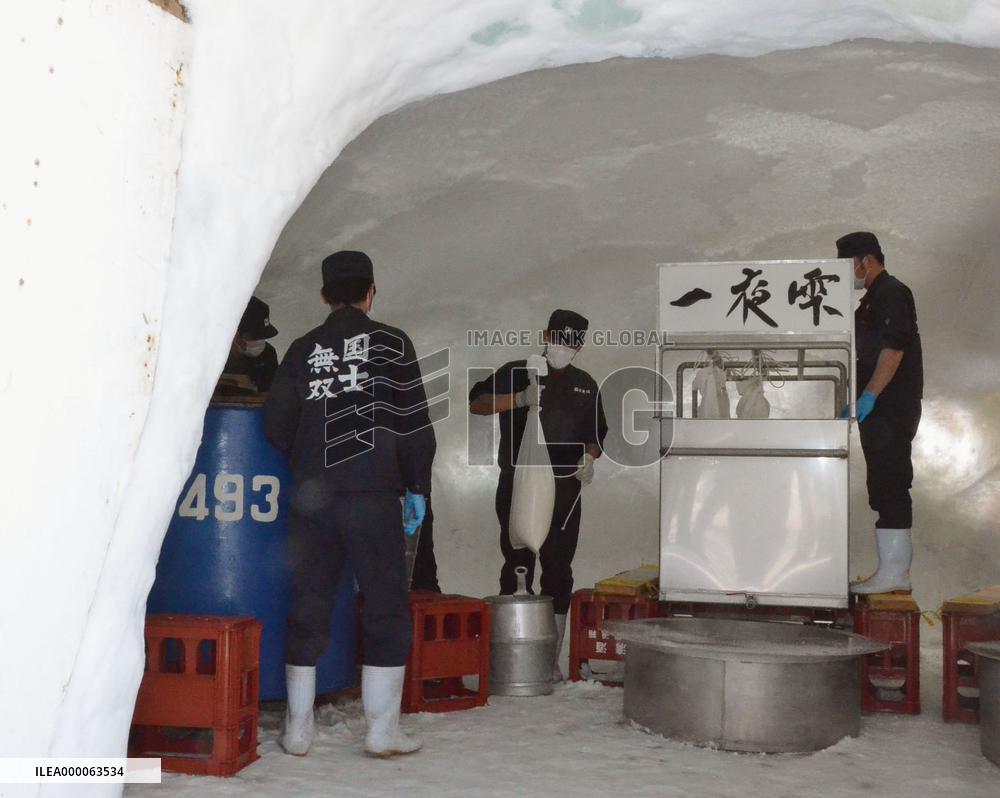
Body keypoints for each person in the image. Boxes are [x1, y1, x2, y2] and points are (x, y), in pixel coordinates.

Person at [264, 250, 435, 757]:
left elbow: (275, 425)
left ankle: (297, 731)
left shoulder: (302, 349)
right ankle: (381, 732)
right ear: (371, 292)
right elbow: (413, 425)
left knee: (309, 604)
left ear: (323, 296)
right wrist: (416, 487)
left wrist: (309, 459)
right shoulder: (392, 344)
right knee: (384, 605)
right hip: (373, 497)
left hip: (313, 499)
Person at [469, 309, 607, 680]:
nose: (565, 347)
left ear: (581, 345)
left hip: (564, 486)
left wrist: (588, 458)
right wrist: (517, 399)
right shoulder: (517, 370)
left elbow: (596, 436)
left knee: (559, 569)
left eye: (572, 342)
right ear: (546, 334)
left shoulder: (585, 384)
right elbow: (477, 403)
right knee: (517, 564)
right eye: (559, 339)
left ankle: (547, 662)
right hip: (518, 482)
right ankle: (513, 660)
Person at [836, 232, 923, 594]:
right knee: (882, 486)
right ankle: (890, 570)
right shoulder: (871, 300)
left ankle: (895, 574)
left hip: (890, 407)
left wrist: (869, 396)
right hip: (877, 411)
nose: (849, 274)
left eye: (848, 266)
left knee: (891, 482)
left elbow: (894, 348)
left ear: (865, 261)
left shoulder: (891, 292)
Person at [223, 296, 280, 392]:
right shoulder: (215, 356)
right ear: (235, 334)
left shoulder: (268, 354)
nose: (259, 341)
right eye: (254, 337)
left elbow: (273, 392)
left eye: (263, 336)